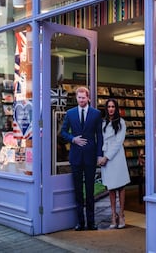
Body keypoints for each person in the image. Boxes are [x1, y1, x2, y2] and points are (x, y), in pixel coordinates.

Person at [61, 87, 103, 231]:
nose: (81, 100)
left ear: (88, 98)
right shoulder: (70, 113)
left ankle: (91, 223)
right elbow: (63, 132)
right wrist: (73, 139)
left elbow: (100, 136)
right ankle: (80, 222)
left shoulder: (96, 114)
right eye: (79, 98)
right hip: (76, 157)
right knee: (78, 191)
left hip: (91, 157)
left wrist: (99, 155)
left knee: (90, 191)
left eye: (83, 98)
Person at [98, 99, 130, 229]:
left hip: (116, 157)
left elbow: (118, 142)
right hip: (105, 156)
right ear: (106, 108)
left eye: (113, 106)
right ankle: (113, 215)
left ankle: (121, 214)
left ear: (116, 108)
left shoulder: (121, 122)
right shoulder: (103, 122)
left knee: (121, 187)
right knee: (111, 188)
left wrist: (106, 157)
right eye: (109, 106)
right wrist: (100, 156)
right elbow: (99, 139)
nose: (111, 109)